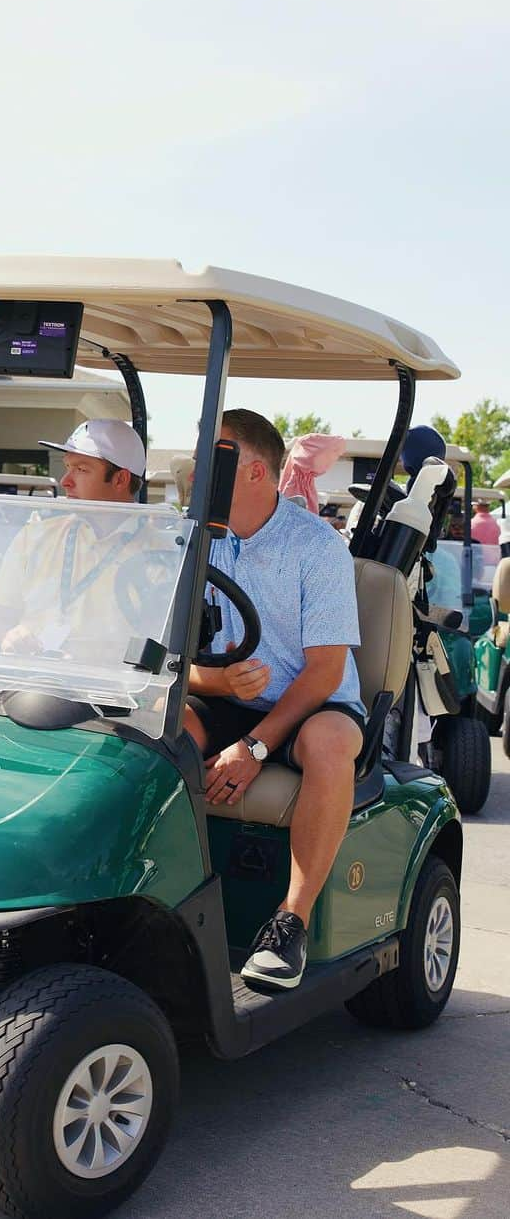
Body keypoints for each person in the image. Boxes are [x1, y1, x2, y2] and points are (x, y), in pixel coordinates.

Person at [185, 409, 365, 991]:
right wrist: (217, 684)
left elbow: (324, 671)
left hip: (315, 702)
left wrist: (254, 748)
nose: (196, 470)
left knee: (329, 742)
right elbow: (169, 661)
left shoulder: (317, 546)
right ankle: (157, 898)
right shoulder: (195, 539)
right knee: (164, 727)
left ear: (255, 472)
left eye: (214, 458)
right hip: (231, 693)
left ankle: (290, 923)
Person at [0, 419, 155, 662]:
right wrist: (9, 636)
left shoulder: (161, 554)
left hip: (105, 692)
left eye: (82, 470)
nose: (65, 481)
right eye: (67, 467)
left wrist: (91, 659)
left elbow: (157, 648)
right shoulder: (35, 536)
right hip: (28, 677)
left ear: (120, 480)